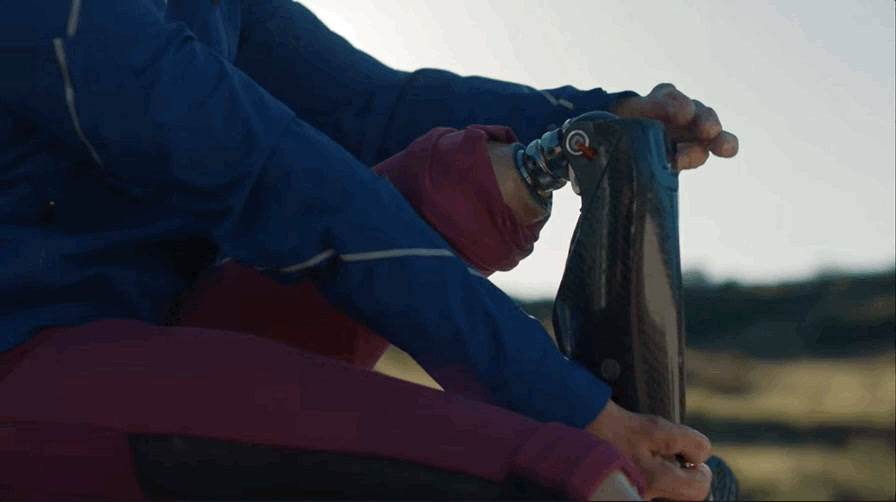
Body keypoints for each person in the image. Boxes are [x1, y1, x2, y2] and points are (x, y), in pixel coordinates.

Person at [0, 1, 738, 500]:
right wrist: (569, 412)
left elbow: (370, 107)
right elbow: (274, 177)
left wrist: (589, 120)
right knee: (567, 480)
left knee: (472, 179)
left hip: (153, 334)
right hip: (23, 362)